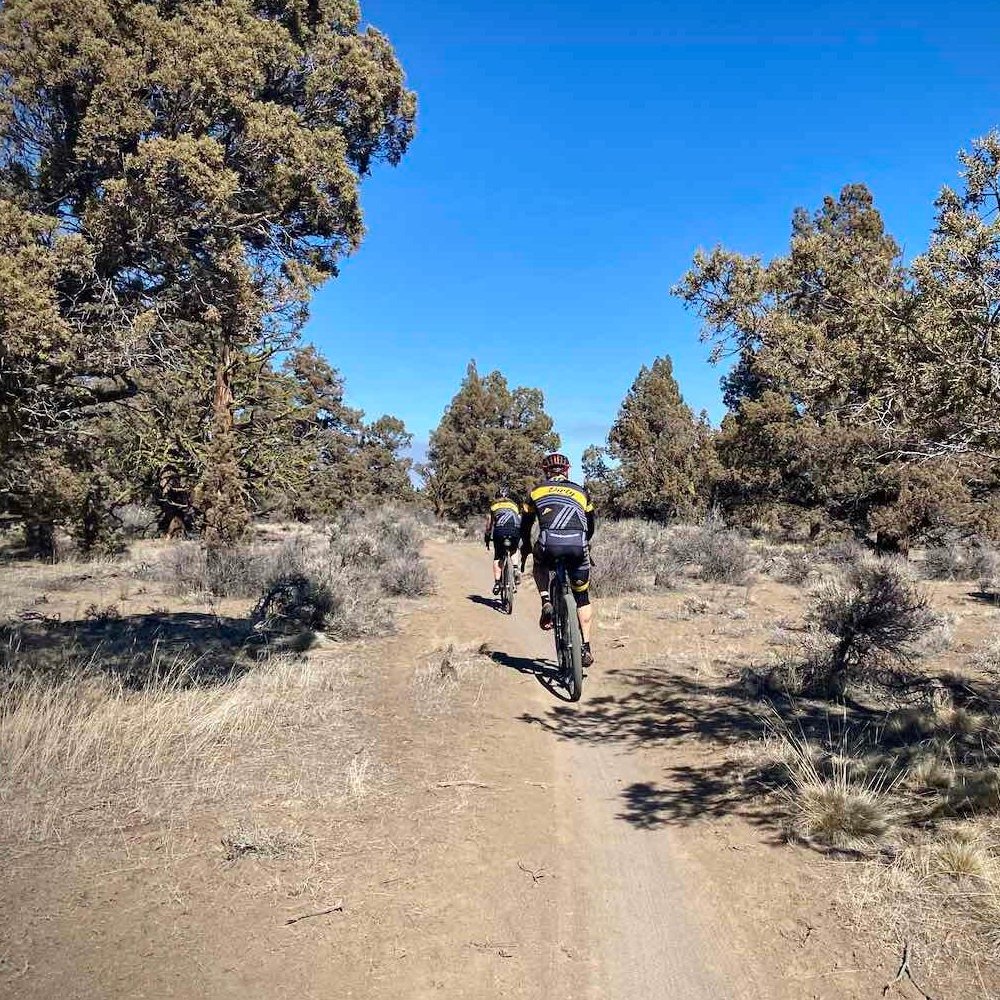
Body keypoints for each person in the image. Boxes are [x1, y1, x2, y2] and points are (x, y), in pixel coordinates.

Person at [520, 453, 596, 669]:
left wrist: (525, 547)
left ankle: (546, 600)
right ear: (567, 471)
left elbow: (525, 525)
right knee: (582, 597)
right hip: (577, 545)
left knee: (540, 565)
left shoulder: (536, 491)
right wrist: (584, 544)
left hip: (549, 544)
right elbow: (590, 525)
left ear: (546, 471)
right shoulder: (581, 492)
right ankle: (586, 647)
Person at [483, 488, 522, 595]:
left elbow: (489, 525)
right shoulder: (514, 505)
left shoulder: (494, 505)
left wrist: (487, 538)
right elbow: (518, 518)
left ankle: (497, 583)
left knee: (497, 556)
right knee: (514, 549)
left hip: (500, 531)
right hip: (515, 529)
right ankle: (515, 568)